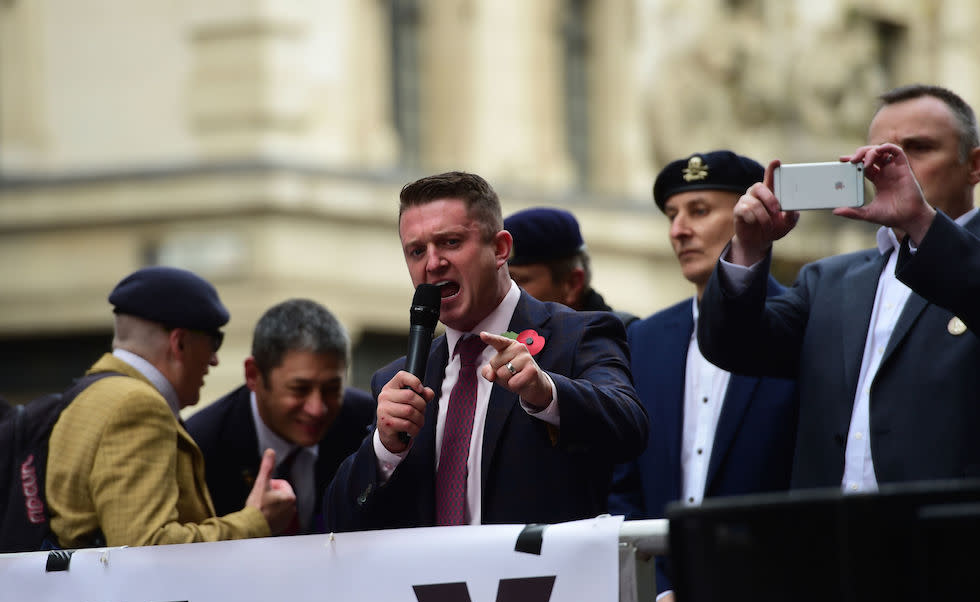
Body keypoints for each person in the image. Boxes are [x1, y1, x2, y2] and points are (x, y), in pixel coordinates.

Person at [325, 171, 648, 531]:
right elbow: (338, 520)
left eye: (450, 242)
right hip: (430, 586)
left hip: (543, 583)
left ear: (500, 249)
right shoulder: (395, 380)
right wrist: (384, 450)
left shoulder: (577, 335)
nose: (432, 264)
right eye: (416, 251)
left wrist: (546, 394)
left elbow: (629, 427)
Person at [697, 84, 980, 491]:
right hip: (833, 540)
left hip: (949, 539)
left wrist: (922, 223)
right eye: (879, 155)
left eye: (917, 149)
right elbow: (733, 347)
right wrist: (749, 250)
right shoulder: (830, 281)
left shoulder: (966, 262)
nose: (892, 168)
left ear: (973, 166)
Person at [607, 150, 798, 602]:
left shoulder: (800, 322)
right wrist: (656, 588)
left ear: (751, 214)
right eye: (672, 216)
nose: (679, 230)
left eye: (699, 210)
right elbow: (621, 482)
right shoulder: (644, 339)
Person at [46, 266, 296, 548]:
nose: (214, 360)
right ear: (179, 343)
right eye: (214, 342)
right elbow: (147, 548)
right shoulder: (138, 406)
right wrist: (255, 522)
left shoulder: (93, 393)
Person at [187, 298, 375, 534]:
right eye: (299, 389)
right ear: (253, 375)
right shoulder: (202, 446)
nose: (317, 409)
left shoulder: (366, 424)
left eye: (331, 389)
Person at [504, 207, 636, 324]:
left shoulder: (626, 343)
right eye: (502, 279)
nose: (506, 291)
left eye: (519, 281)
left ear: (572, 284)